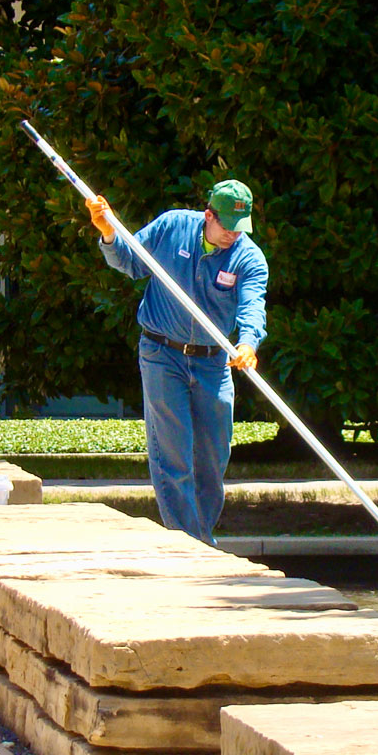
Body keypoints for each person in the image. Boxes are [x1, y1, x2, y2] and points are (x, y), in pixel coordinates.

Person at [86, 180, 269, 545]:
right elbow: (130, 260)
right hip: (161, 354)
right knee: (174, 455)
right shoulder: (172, 226)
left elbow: (252, 305)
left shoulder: (249, 258)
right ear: (208, 215)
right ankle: (189, 545)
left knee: (212, 459)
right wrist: (108, 231)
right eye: (227, 225)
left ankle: (202, 537)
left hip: (213, 362)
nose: (233, 234)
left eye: (240, 227)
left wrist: (248, 342)